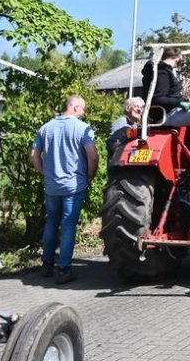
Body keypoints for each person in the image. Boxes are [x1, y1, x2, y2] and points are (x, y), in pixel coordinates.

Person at [30, 95, 97, 284]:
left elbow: (34, 156)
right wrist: (90, 176)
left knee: (51, 222)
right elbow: (93, 156)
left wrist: (45, 173)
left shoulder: (45, 128)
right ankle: (64, 269)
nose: (83, 112)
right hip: (73, 186)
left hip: (51, 186)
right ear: (75, 107)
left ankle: (47, 265)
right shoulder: (83, 129)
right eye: (82, 109)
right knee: (68, 225)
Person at [106, 96, 144, 165]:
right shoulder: (121, 122)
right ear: (127, 108)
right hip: (119, 165)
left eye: (141, 108)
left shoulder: (135, 126)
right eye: (136, 106)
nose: (139, 110)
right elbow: (111, 144)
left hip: (130, 164)